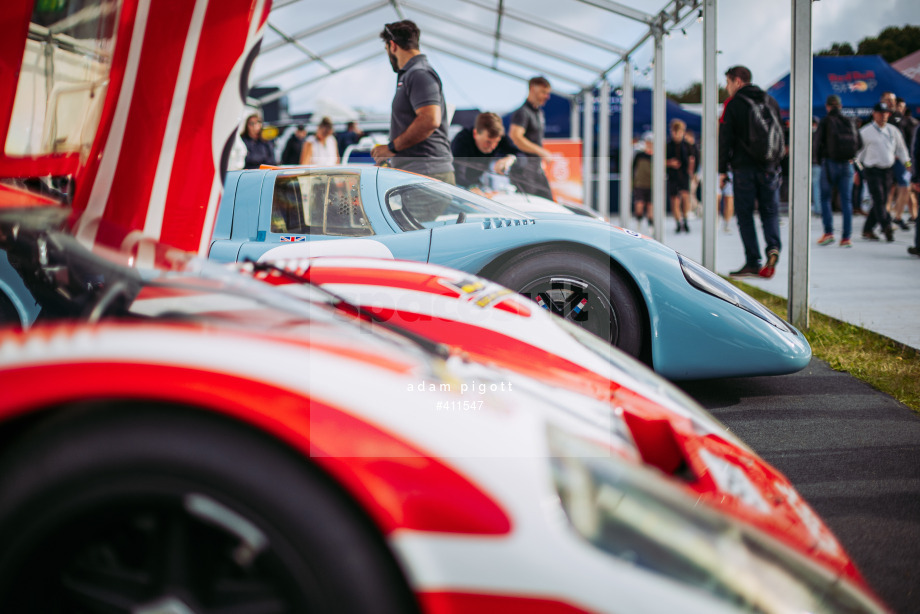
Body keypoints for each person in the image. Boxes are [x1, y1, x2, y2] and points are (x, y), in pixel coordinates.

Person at [719, 65, 784, 278]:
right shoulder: (770, 101)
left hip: (744, 169)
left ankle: (753, 260)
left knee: (745, 215)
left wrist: (722, 170)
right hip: (770, 168)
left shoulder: (735, 104)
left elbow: (725, 138)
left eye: (728, 82)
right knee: (770, 212)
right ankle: (773, 247)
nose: (727, 87)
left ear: (737, 81)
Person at [371, 20, 454, 184]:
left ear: (393, 46)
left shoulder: (419, 73)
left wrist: (391, 148)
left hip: (427, 175)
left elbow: (430, 119)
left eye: (386, 49)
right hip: (422, 175)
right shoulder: (412, 74)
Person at [857, 102, 911, 242]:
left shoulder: (893, 130)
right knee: (879, 199)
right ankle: (886, 226)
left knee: (881, 201)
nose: (883, 116)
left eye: (886, 113)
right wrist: (858, 171)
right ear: (874, 114)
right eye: (880, 113)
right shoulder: (865, 131)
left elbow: (902, 149)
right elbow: (858, 154)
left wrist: (908, 164)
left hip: (888, 170)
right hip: (872, 170)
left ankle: (867, 229)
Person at [815, 94, 861, 248]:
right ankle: (846, 237)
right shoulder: (850, 120)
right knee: (846, 201)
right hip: (847, 164)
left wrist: (818, 159)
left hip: (829, 163)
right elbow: (859, 143)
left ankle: (828, 233)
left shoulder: (826, 121)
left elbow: (817, 143)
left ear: (828, 107)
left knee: (825, 198)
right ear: (840, 106)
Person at [508, 76, 554, 200]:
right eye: (543, 92)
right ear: (533, 89)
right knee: (530, 208)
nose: (547, 96)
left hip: (536, 169)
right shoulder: (522, 112)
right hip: (524, 170)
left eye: (548, 93)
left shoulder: (538, 113)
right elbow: (516, 137)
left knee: (549, 203)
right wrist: (541, 151)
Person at [450, 112, 519, 191]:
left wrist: (510, 159)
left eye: (496, 142)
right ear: (475, 133)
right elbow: (457, 174)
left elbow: (522, 157)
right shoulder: (461, 140)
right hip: (458, 187)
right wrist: (472, 188)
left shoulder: (500, 137)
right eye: (488, 142)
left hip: (479, 183)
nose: (493, 147)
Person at [666, 119, 694, 233]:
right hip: (672, 176)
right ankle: (678, 222)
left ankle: (685, 219)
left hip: (684, 175)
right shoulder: (668, 145)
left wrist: (691, 172)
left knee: (685, 198)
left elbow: (693, 159)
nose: (676, 134)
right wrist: (669, 163)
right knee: (675, 200)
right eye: (674, 131)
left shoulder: (687, 146)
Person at [632, 133, 654, 233]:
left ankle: (651, 225)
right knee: (639, 205)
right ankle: (639, 223)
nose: (649, 144)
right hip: (640, 184)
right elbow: (633, 168)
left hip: (652, 185)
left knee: (650, 206)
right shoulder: (639, 155)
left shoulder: (656, 156)